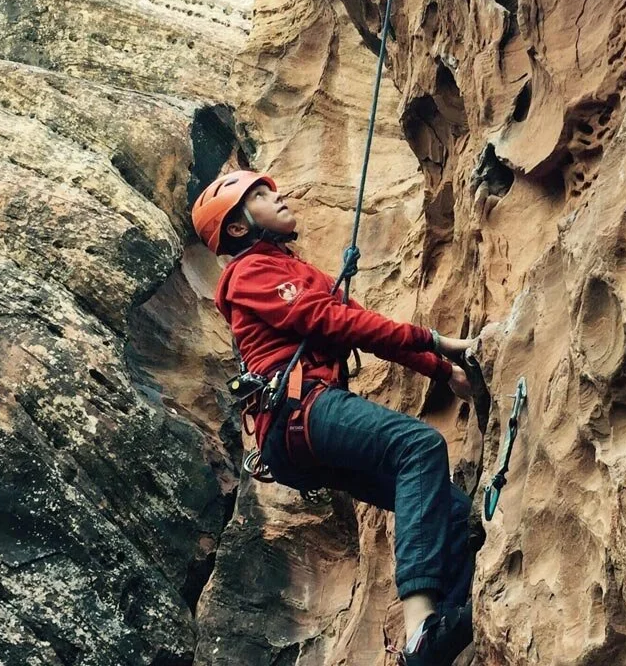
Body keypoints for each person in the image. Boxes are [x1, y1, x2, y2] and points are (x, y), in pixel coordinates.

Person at [192, 170, 478, 666]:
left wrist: (442, 370)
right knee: (419, 446)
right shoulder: (249, 272)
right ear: (237, 227)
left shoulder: (297, 273)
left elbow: (364, 327)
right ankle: (420, 630)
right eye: (259, 196)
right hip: (299, 412)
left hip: (297, 436)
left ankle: (437, 639)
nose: (277, 197)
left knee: (452, 510)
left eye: (271, 190)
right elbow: (335, 321)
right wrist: (436, 341)